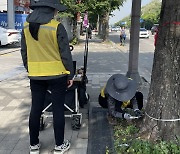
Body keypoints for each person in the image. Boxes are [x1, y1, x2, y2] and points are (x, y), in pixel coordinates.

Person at [20, 0, 74, 153]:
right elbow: (65, 53)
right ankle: (59, 146)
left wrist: (29, 68)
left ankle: (34, 146)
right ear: (50, 10)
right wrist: (70, 73)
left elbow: (24, 52)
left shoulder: (25, 27)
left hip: (35, 75)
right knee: (58, 109)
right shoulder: (56, 26)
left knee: (36, 109)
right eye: (55, 10)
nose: (56, 13)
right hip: (57, 75)